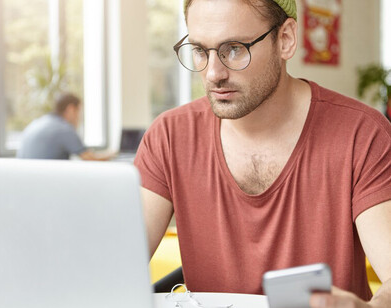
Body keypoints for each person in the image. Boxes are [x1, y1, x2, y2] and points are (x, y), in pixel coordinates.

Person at [134, 0, 391, 307]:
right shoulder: (169, 136)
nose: (213, 73)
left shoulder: (362, 134)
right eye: (200, 51)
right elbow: (116, 263)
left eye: (234, 49)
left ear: (285, 40)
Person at [17, 93, 115, 161]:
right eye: (79, 112)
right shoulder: (64, 129)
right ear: (71, 109)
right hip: (47, 182)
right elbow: (90, 158)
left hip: (26, 182)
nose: (79, 117)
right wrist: (112, 153)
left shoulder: (37, 122)